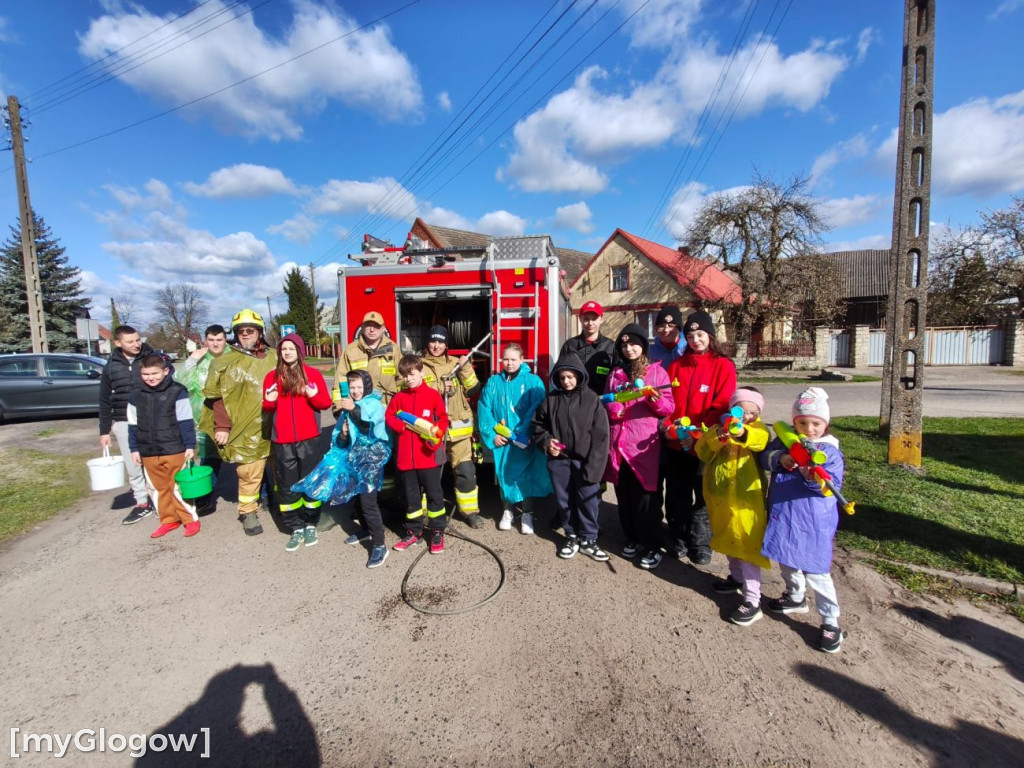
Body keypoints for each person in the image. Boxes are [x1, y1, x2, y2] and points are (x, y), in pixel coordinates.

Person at [759, 387, 846, 653]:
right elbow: (765, 457)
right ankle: (795, 595)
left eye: (816, 423)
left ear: (826, 424)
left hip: (813, 521)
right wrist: (781, 458)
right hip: (784, 514)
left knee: (816, 571)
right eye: (803, 423)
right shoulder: (786, 441)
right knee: (786, 559)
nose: (809, 429)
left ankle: (830, 621)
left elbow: (831, 485)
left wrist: (812, 478)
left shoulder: (829, 451)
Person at [294, 370, 391, 568]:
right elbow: (339, 440)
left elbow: (370, 428)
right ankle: (365, 530)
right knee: (356, 498)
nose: (355, 391)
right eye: (352, 387)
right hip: (353, 460)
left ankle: (380, 544)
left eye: (359, 387)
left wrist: (354, 409)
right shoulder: (347, 408)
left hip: (371, 461)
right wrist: (344, 434)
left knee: (368, 502)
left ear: (367, 386)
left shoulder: (373, 404)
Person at [662, 310, 737, 564]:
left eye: (700, 334)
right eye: (691, 336)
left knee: (703, 496)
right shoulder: (676, 366)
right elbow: (668, 403)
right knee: (676, 495)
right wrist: (670, 429)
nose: (695, 340)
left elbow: (721, 406)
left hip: (706, 446)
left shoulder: (723, 366)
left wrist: (696, 436)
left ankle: (701, 542)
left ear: (710, 336)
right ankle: (678, 537)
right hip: (676, 445)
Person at [694, 387, 771, 625]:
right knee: (728, 539)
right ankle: (736, 578)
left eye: (752, 412)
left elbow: (759, 441)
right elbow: (702, 451)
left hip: (747, 502)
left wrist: (742, 432)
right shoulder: (718, 429)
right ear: (731, 410)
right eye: (740, 411)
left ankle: (752, 600)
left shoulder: (759, 430)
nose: (745, 416)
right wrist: (719, 436)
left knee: (747, 547)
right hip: (721, 499)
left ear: (758, 414)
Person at [603, 324, 674, 570]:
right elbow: (607, 402)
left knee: (646, 498)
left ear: (643, 345)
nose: (629, 349)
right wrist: (615, 408)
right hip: (619, 445)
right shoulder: (615, 374)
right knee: (624, 495)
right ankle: (631, 537)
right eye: (624, 345)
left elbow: (668, 408)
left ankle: (652, 545)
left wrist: (656, 401)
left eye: (633, 344)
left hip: (643, 447)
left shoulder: (657, 373)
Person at [204, 309, 277, 537]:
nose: (245, 334)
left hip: (276, 425)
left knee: (280, 469)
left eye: (250, 330)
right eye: (241, 331)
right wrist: (222, 427)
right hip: (246, 429)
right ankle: (248, 512)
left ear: (260, 332)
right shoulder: (224, 362)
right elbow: (217, 397)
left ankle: (277, 500)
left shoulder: (276, 357)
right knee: (249, 473)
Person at [532, 352, 610, 561]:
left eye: (570, 377)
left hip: (585, 461)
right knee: (565, 501)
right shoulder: (551, 400)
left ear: (579, 375)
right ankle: (572, 536)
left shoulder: (592, 400)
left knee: (588, 501)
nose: (566, 381)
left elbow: (601, 436)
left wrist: (594, 467)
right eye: (562, 377)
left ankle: (589, 539)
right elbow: (537, 426)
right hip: (559, 461)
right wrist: (547, 442)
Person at [262, 333, 332, 552]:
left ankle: (310, 523)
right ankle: (295, 527)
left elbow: (325, 403)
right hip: (282, 441)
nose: (287, 352)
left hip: (309, 438)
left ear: (300, 351)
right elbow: (267, 406)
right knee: (287, 486)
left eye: (291, 349)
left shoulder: (313, 375)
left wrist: (313, 395)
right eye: (284, 349)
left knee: (310, 483)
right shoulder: (272, 377)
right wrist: (269, 401)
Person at [477, 343, 552, 534]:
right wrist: (493, 434)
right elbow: (484, 408)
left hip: (525, 440)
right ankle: (507, 511)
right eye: (506, 359)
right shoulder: (494, 382)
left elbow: (536, 409)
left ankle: (527, 514)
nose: (509, 363)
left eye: (513, 359)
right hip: (503, 441)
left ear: (522, 360)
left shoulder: (533, 381)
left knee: (527, 475)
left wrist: (523, 433)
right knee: (504, 475)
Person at [127, 354, 198, 538]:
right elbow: (132, 424)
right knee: (158, 488)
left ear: (165, 371)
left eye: (154, 373)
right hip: (148, 451)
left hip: (174, 449)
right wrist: (134, 449)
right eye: (146, 374)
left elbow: (185, 421)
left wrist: (189, 445)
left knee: (178, 487)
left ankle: (190, 519)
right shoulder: (135, 395)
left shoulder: (177, 391)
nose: (150, 378)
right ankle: (168, 520)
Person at [385, 353, 450, 554]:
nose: (409, 379)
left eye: (412, 374)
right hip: (406, 460)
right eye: (405, 375)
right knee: (411, 498)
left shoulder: (432, 395)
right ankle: (414, 531)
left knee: (434, 496)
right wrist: (401, 427)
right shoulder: (399, 398)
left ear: (422, 372)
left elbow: (443, 420)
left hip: (428, 457)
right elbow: (389, 416)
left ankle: (437, 531)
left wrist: (436, 435)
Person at [420, 325, 484, 528]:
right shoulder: (418, 365)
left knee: (465, 471)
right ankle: (424, 513)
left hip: (458, 429)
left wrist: (465, 367)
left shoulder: (457, 363)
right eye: (433, 341)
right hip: (430, 430)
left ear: (446, 345)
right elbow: (408, 389)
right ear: (427, 343)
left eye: (440, 342)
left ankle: (470, 512)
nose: (436, 346)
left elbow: (473, 388)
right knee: (428, 473)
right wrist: (439, 387)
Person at [174, 324, 234, 515]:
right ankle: (204, 498)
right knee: (210, 458)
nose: (215, 344)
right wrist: (191, 360)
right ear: (205, 341)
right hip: (205, 418)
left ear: (225, 340)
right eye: (211, 340)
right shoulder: (199, 361)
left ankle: (261, 494)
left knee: (247, 457)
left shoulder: (235, 358)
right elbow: (179, 383)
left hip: (234, 415)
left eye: (219, 340)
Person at [99, 325, 156, 524]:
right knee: (134, 465)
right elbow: (104, 400)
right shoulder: (111, 367)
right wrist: (104, 431)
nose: (136, 344)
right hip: (124, 421)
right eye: (130, 341)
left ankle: (163, 499)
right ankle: (142, 503)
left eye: (138, 340)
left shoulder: (150, 359)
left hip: (152, 419)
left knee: (156, 461)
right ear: (117, 343)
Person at [334, 311, 398, 407]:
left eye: (376, 326)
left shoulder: (393, 350)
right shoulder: (350, 350)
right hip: (358, 409)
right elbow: (340, 382)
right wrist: (339, 409)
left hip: (388, 409)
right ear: (363, 327)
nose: (372, 329)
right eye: (368, 325)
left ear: (383, 328)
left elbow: (402, 380)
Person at [559, 300, 618, 396]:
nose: (590, 323)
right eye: (586, 319)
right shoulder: (569, 346)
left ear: (601, 319)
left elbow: (617, 378)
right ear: (580, 319)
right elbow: (560, 375)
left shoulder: (611, 347)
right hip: (575, 400)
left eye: (594, 319)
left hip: (602, 401)